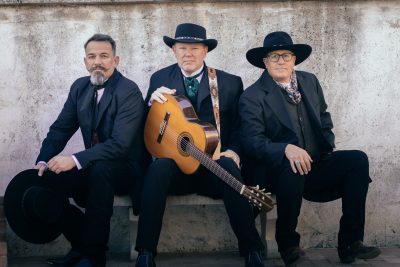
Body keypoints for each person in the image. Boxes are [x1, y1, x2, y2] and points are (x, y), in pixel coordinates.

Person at [239, 31, 381, 266]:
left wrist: (327, 140)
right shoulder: (252, 96)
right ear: (265, 62)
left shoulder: (309, 81)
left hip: (315, 163)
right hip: (278, 172)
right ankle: (289, 246)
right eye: (274, 56)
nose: (281, 61)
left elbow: (324, 116)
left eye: (286, 55)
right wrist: (286, 149)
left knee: (357, 160)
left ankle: (351, 242)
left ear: (295, 59)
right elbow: (252, 142)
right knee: (293, 163)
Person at [9, 33, 147, 267]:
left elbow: (119, 145)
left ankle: (94, 256)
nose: (97, 62)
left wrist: (73, 159)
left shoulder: (128, 91)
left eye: (104, 56)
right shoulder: (80, 87)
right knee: (51, 177)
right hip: (94, 164)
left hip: (127, 169)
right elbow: (60, 129)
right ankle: (80, 246)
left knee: (100, 170)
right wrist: (42, 161)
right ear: (85, 62)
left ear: (116, 60)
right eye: (92, 56)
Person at [135, 23, 265, 267]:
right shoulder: (160, 78)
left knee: (229, 168)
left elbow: (241, 127)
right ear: (174, 50)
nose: (188, 53)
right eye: (182, 47)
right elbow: (148, 127)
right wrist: (150, 104)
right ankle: (145, 252)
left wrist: (235, 151)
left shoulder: (229, 83)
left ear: (205, 51)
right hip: (176, 169)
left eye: (194, 48)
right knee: (158, 169)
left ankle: (252, 251)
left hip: (212, 167)